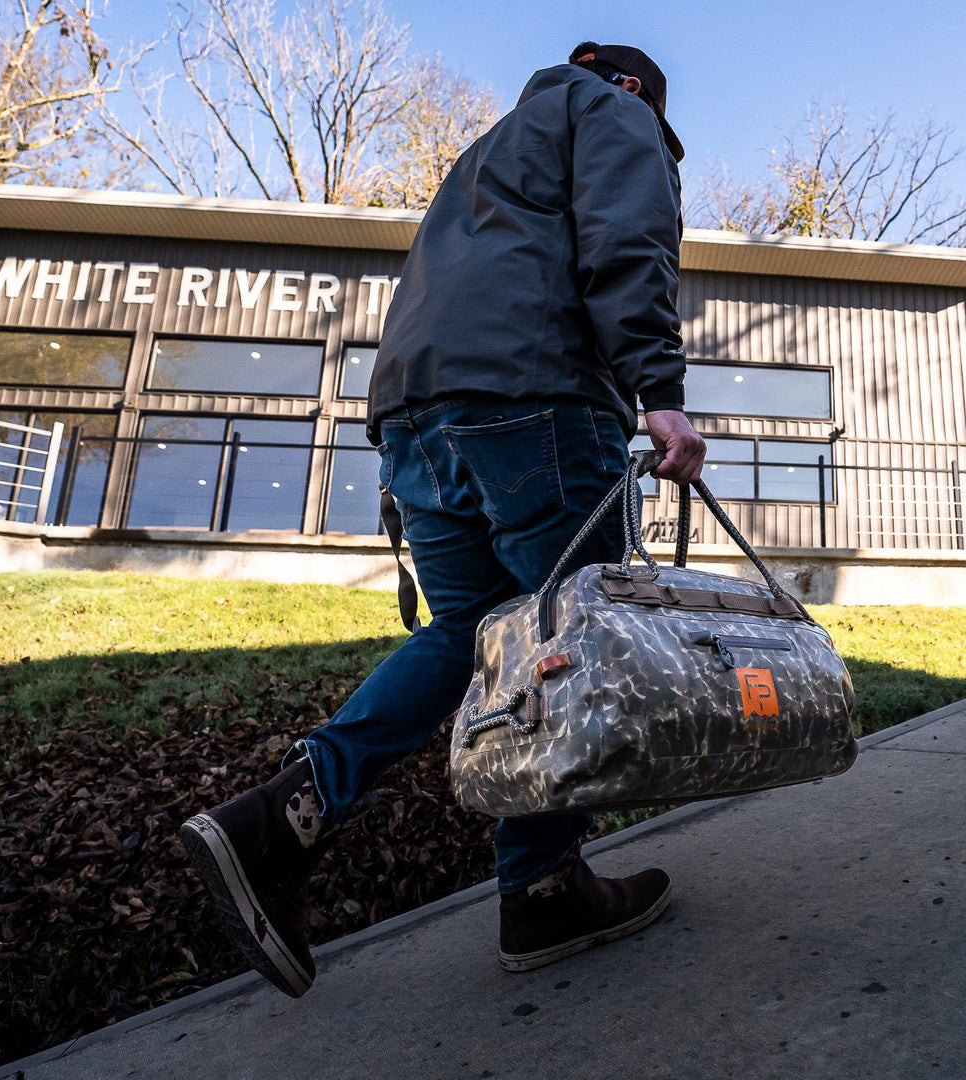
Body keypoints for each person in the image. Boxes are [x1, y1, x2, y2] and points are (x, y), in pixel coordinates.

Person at [179, 41, 707, 998]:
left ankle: (286, 813)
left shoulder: (486, 156)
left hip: (417, 416)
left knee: (474, 632)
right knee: (565, 635)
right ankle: (541, 889)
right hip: (535, 401)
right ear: (635, 92)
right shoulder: (615, 113)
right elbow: (627, 241)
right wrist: (658, 387)